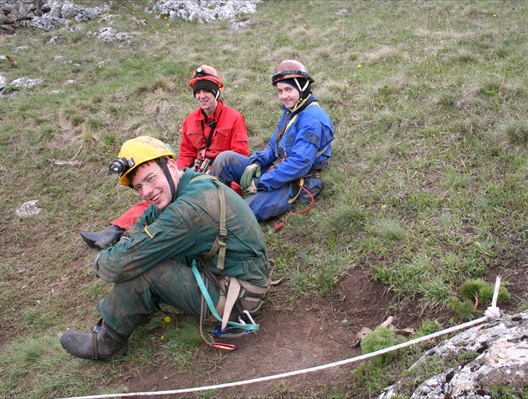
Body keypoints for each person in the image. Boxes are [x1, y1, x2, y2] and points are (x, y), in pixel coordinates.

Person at [61, 136, 270, 361]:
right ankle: (122, 312)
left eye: (150, 179)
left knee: (145, 266)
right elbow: (146, 219)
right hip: (228, 275)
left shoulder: (189, 209)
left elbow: (120, 264)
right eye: (139, 187)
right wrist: (127, 244)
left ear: (171, 166)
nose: (147, 191)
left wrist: (102, 261)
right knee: (138, 254)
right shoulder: (188, 183)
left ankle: (108, 343)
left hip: (239, 298)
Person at [79, 65, 250, 249]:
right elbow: (186, 153)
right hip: (194, 173)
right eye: (197, 91)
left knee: (177, 206)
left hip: (218, 179)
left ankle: (136, 239)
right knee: (157, 194)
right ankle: (114, 231)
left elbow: (237, 157)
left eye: (206, 91)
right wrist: (176, 174)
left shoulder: (234, 118)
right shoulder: (190, 120)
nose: (201, 96)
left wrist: (231, 192)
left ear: (216, 92)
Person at [209, 60, 334, 222]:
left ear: (302, 87)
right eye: (280, 91)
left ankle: (216, 219)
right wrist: (257, 163)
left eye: (288, 89)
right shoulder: (292, 110)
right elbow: (274, 146)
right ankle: (209, 204)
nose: (283, 96)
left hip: (295, 180)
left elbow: (300, 164)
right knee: (225, 159)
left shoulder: (313, 119)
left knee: (240, 213)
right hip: (278, 170)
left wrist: (261, 183)